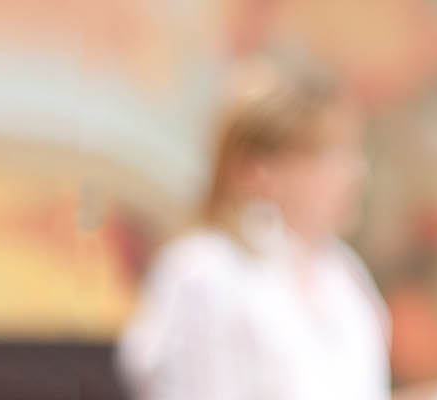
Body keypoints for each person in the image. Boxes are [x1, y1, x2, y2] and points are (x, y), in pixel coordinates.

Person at [117, 59, 389, 400]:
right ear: (260, 170)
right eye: (326, 155)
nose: (354, 172)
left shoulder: (344, 273)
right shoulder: (205, 272)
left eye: (351, 152)